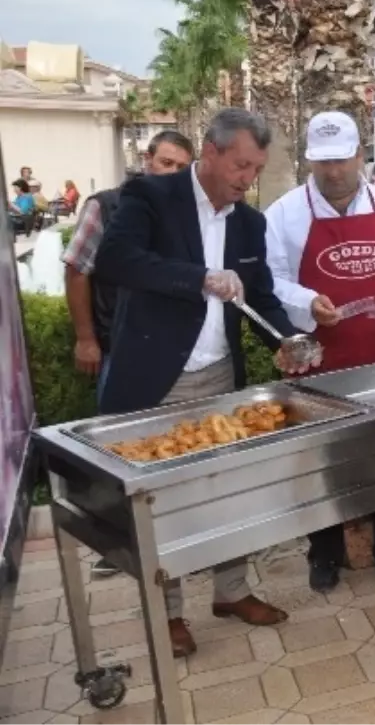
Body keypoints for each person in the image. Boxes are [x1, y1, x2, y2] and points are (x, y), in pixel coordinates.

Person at [93, 108, 313, 658]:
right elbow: (116, 261)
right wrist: (197, 279)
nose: (246, 178)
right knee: (160, 502)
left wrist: (287, 340)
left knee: (227, 491)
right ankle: (167, 613)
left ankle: (231, 592)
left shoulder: (249, 223)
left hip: (219, 377)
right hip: (156, 379)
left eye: (255, 169)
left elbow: (258, 295)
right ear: (210, 152)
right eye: (240, 164)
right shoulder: (149, 197)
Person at [265, 112, 375, 592]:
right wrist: (305, 303)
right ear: (309, 162)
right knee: (322, 460)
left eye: (342, 161)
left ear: (361, 156)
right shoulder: (284, 215)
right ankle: (325, 554)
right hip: (321, 358)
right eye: (323, 163)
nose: (334, 172)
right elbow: (270, 281)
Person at [63, 129, 194, 579]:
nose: (173, 173)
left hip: (173, 355)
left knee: (176, 448)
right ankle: (117, 543)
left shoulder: (185, 212)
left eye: (182, 166)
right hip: (121, 351)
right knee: (121, 451)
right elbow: (78, 269)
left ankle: (176, 540)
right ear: (147, 160)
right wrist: (86, 338)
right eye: (166, 163)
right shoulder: (106, 205)